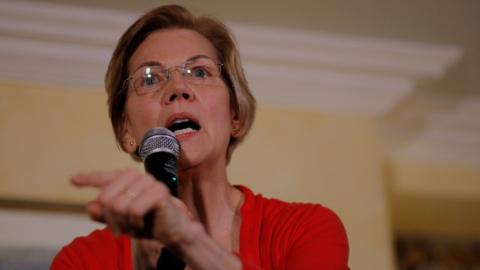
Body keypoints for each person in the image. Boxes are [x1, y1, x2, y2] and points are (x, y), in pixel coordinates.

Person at [51, 4, 349, 270]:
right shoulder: (82, 261)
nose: (178, 88)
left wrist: (189, 242)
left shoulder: (305, 229)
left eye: (200, 72)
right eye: (151, 78)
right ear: (126, 131)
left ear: (235, 114)